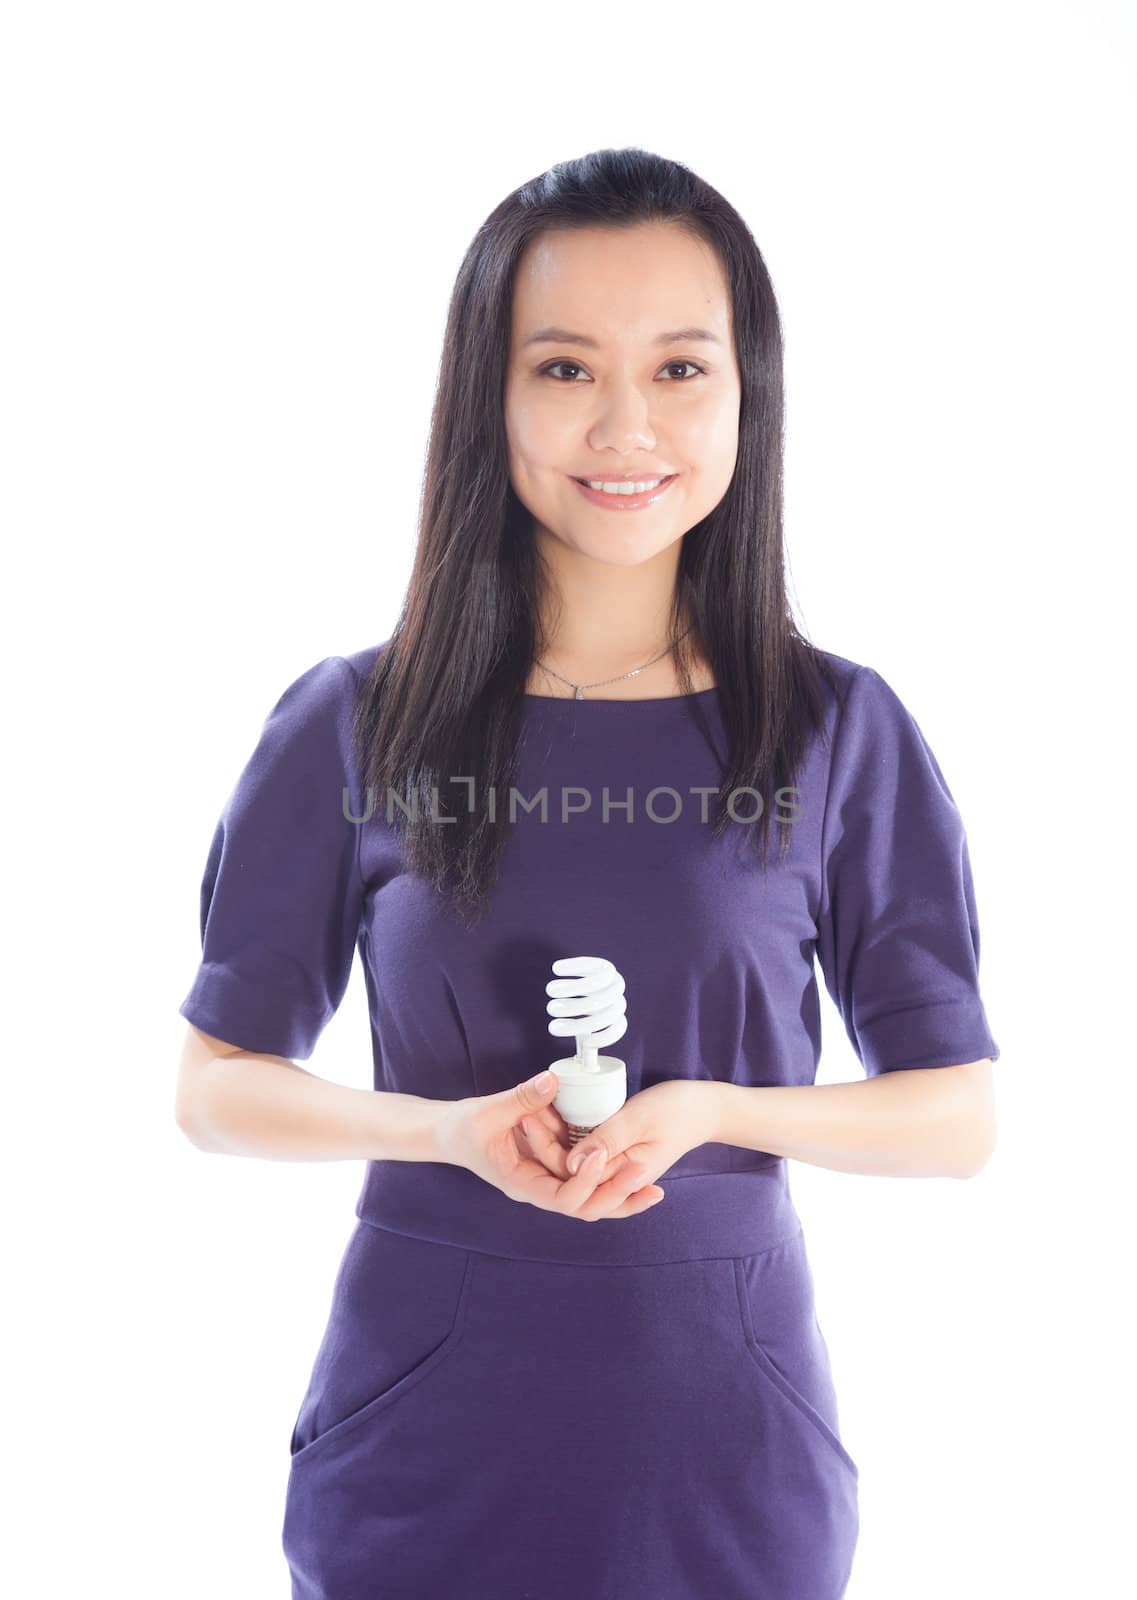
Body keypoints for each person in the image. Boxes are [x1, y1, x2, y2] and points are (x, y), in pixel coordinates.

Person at [175, 146, 1000, 1600]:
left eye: (680, 368)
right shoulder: (354, 722)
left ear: (747, 392)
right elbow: (216, 1086)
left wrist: (710, 1114)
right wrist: (441, 1135)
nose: (626, 423)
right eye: (563, 368)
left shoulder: (837, 730)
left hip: (724, 1440)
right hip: (427, 1427)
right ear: (487, 399)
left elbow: (955, 1120)